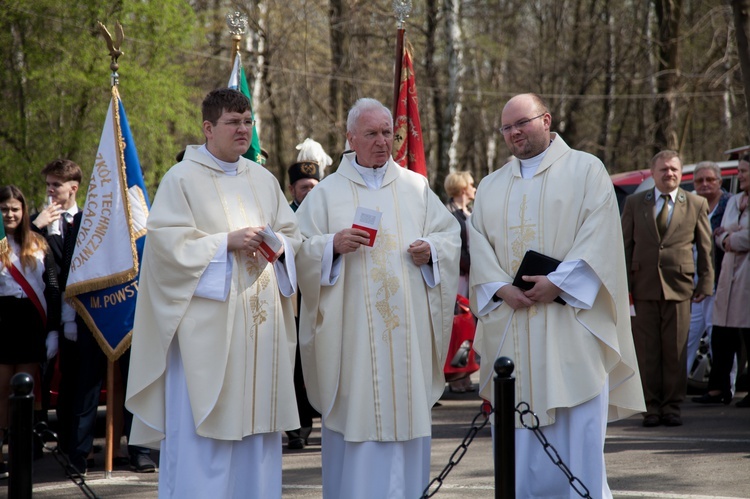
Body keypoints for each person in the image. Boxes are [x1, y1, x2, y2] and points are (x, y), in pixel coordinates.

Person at [125, 88, 301, 499]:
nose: (244, 130)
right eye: (233, 123)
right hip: (206, 340)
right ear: (208, 128)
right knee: (205, 445)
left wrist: (279, 246)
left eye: (247, 122)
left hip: (260, 337)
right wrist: (225, 243)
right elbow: (164, 251)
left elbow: (294, 240)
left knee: (257, 441)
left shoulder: (263, 179)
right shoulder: (181, 179)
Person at [469, 93, 644, 498]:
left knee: (575, 434)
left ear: (546, 120)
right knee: (520, 441)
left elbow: (599, 234)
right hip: (514, 324)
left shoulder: (585, 169)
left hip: (571, 325)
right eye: (506, 127)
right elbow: (477, 243)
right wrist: (500, 288)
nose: (514, 133)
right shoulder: (492, 185)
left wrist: (559, 283)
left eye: (522, 123)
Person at [295, 97, 460, 499]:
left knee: (406, 425)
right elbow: (297, 249)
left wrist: (432, 251)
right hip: (352, 342)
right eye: (372, 133)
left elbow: (449, 235)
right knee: (359, 430)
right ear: (351, 137)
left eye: (388, 133)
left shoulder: (415, 187)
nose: (383, 142)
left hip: (407, 337)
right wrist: (330, 245)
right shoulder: (327, 193)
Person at [622, 150, 714, 427]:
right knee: (647, 352)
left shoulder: (696, 203)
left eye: (674, 169)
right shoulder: (635, 202)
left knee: (675, 351)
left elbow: (705, 247)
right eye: (663, 169)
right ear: (653, 173)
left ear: (681, 172)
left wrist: (706, 282)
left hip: (680, 287)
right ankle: (650, 407)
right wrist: (624, 286)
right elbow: (624, 247)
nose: (669, 174)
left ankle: (672, 407)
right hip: (643, 287)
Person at [0, 185, 61, 479]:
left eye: (15, 208)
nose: (10, 214)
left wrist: (52, 330)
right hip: (2, 319)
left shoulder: (37, 242)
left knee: (24, 389)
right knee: (1, 388)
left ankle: (20, 452)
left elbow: (51, 287)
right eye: (4, 209)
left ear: (24, 211)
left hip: (30, 320)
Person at [692, 156, 749, 407]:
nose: (741, 176)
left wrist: (729, 237)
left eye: (744, 171)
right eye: (739, 171)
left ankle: (734, 387)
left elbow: (737, 238)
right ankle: (718, 388)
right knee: (720, 335)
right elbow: (721, 235)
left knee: (742, 336)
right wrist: (730, 236)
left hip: (741, 277)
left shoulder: (727, 201)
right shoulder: (735, 201)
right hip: (720, 277)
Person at [285, 139, 326, 450]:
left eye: (314, 186)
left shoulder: (328, 215)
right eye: (303, 188)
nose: (309, 193)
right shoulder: (285, 217)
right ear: (293, 191)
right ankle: (298, 425)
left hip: (324, 298)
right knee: (296, 363)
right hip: (293, 301)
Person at [686, 162, 731, 374]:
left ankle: (725, 387)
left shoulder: (730, 204)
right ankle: (678, 388)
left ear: (719, 181)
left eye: (710, 179)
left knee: (718, 338)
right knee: (687, 337)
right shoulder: (689, 204)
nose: (704, 184)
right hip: (692, 285)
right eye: (699, 181)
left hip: (721, 282)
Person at [443, 171, 478, 393]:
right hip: (457, 278)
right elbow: (453, 248)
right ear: (463, 188)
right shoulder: (449, 214)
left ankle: (465, 372)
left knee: (468, 327)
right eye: (472, 184)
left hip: (470, 276)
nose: (475, 188)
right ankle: (454, 376)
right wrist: (473, 265)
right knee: (456, 326)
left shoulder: (468, 213)